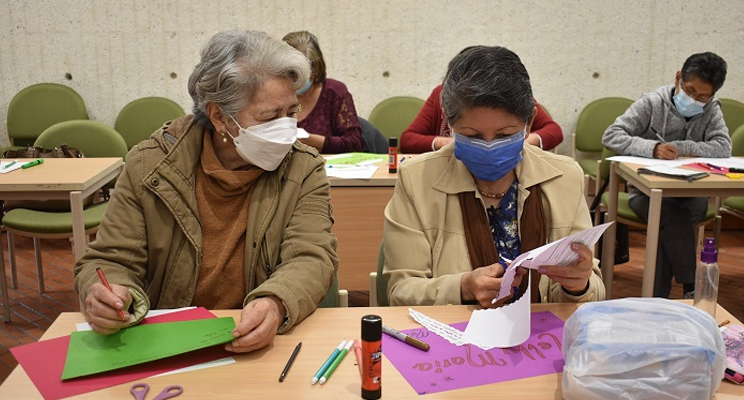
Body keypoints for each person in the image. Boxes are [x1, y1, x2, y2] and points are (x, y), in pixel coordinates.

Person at [74, 30, 338, 354]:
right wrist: (109, 293)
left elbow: (311, 256)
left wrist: (275, 301)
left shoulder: (303, 168)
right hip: (170, 344)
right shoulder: (150, 167)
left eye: (292, 113)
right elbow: (110, 259)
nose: (286, 129)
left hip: (257, 346)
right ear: (219, 117)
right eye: (270, 116)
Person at [383, 45, 605, 307]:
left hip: (540, 338)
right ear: (450, 124)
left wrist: (580, 285)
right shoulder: (417, 180)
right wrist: (462, 286)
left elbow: (594, 290)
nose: (489, 146)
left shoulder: (564, 177)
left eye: (504, 136)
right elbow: (400, 291)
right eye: (473, 136)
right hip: (457, 338)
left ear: (529, 122)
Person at [603, 52, 731, 299]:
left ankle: (656, 299)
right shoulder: (652, 103)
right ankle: (691, 287)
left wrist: (681, 147)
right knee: (671, 214)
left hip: (692, 194)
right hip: (645, 192)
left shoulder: (711, 110)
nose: (694, 99)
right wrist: (652, 148)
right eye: (690, 90)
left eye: (702, 96)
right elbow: (612, 135)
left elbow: (723, 147)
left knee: (670, 221)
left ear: (713, 95)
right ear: (678, 78)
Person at [400, 84, 563, 153]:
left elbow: (554, 131)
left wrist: (518, 141)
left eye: (503, 134)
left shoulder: (512, 94)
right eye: (473, 135)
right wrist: (446, 142)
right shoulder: (443, 95)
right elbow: (407, 140)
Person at [282, 31, 364, 153]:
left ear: (315, 71)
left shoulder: (334, 92)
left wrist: (317, 142)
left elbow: (355, 143)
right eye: (291, 74)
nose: (296, 81)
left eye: (303, 74)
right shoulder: (273, 95)